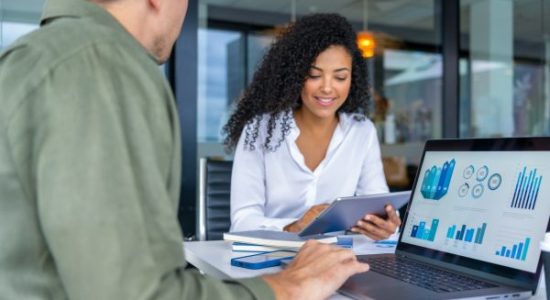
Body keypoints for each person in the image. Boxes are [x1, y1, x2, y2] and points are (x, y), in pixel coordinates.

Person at [0, 0, 369, 299]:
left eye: (340, 76)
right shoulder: (98, 63)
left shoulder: (43, 55)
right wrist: (288, 289)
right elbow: (136, 291)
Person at [224, 13, 401, 240]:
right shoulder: (259, 131)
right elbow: (242, 222)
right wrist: (295, 226)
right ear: (296, 76)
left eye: (340, 77)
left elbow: (379, 203)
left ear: (352, 79)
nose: (327, 88)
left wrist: (386, 225)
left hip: (335, 260)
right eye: (314, 75)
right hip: (269, 261)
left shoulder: (362, 131)